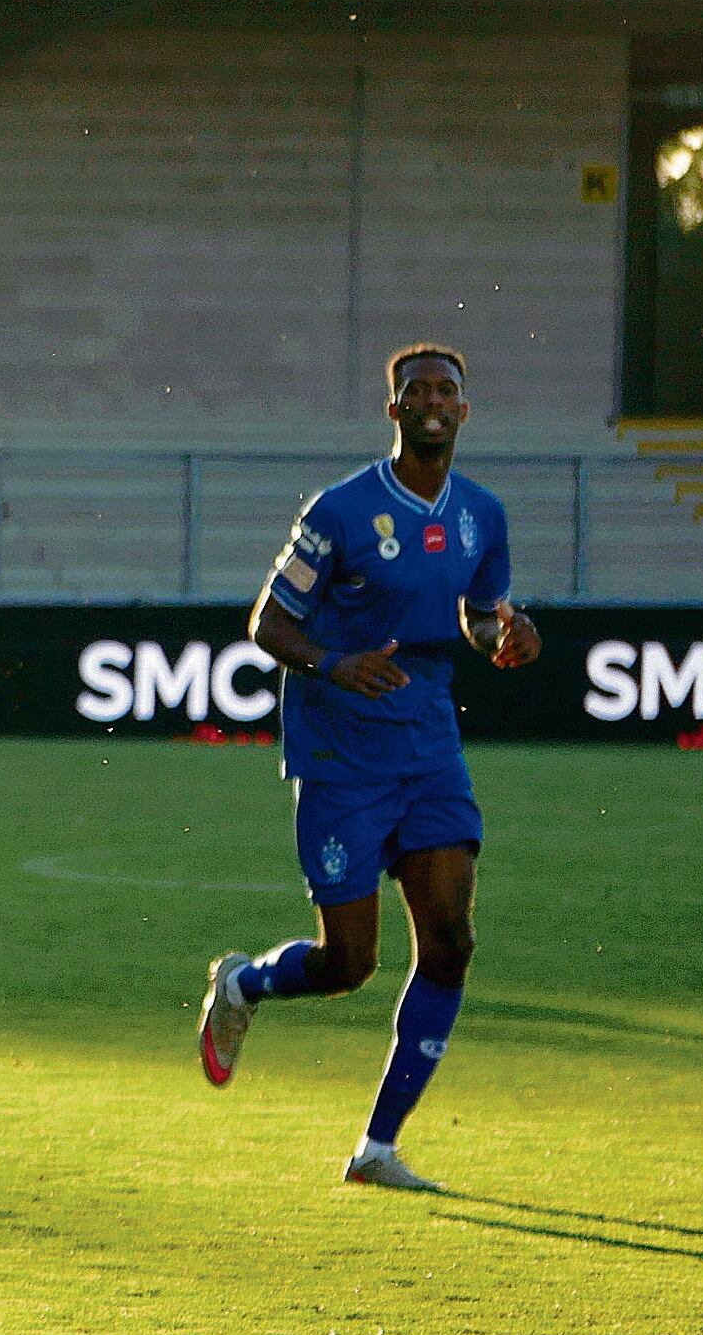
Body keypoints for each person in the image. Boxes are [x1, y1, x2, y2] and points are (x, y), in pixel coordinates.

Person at [198, 343, 540, 1191]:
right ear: (394, 411)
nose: (432, 400)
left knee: (452, 942)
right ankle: (244, 986)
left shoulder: (481, 515)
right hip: (342, 756)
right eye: (416, 390)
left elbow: (476, 617)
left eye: (446, 390)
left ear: (465, 411)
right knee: (349, 963)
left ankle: (377, 1149)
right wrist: (333, 662)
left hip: (427, 747)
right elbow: (268, 624)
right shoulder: (342, 512)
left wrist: (507, 637)